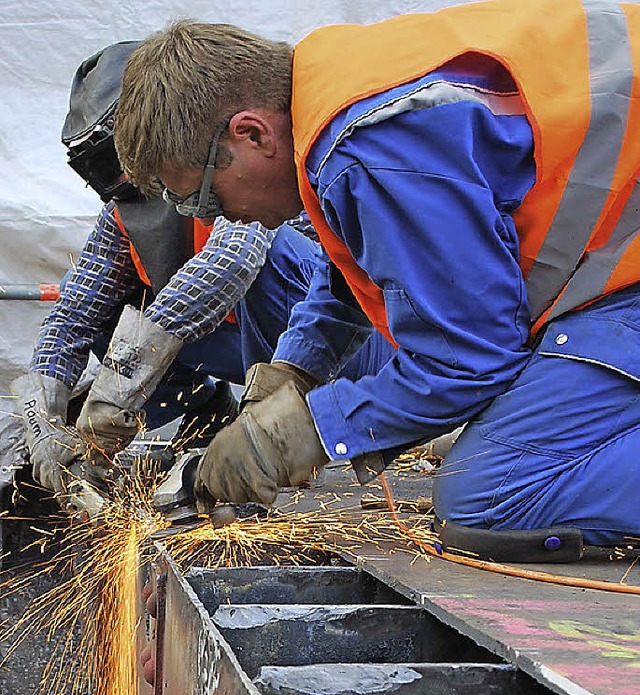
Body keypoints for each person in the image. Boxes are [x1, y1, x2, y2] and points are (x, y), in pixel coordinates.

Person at [113, 1, 640, 547]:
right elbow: (356, 275)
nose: (212, 218)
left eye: (201, 197)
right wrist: (294, 372)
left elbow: (468, 359)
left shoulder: (368, 150)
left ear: (252, 135)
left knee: (488, 496)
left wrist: (303, 433)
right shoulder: (333, 94)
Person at [15, 41, 377, 498]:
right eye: (106, 165)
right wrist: (43, 419)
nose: (129, 179)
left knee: (261, 260)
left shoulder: (228, 174)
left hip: (341, 347)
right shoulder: (123, 215)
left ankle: (277, 433)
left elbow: (231, 261)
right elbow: (74, 315)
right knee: (113, 317)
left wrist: (119, 384)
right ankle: (210, 412)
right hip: (248, 353)